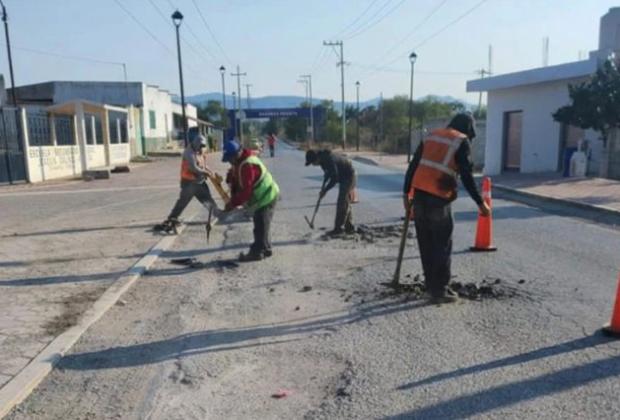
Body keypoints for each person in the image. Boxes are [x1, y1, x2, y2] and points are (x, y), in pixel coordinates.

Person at [403, 113, 490, 304]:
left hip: (418, 196)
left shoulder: (432, 136)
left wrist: (405, 194)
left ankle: (431, 286)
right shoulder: (460, 141)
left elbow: (413, 166)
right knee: (442, 243)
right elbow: (466, 175)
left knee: (426, 243)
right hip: (438, 199)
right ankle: (440, 290)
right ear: (468, 129)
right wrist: (480, 202)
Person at [222, 140, 280, 261]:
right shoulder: (240, 162)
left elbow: (245, 192)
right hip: (262, 196)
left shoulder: (247, 165)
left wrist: (232, 204)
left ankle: (257, 252)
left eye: (230, 159)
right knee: (262, 224)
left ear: (237, 154)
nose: (229, 161)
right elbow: (237, 180)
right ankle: (266, 248)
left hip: (267, 196)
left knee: (260, 225)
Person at [154, 135, 219, 233]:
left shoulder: (200, 150)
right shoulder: (188, 153)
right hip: (189, 183)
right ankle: (172, 218)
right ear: (196, 143)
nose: (202, 148)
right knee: (182, 202)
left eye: (203, 146)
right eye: (200, 146)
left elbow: (203, 164)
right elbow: (194, 168)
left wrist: (210, 171)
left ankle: (218, 214)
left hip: (200, 182)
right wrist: (205, 173)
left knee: (208, 199)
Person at [305, 149, 356, 235]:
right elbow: (328, 174)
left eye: (312, 163)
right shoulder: (322, 161)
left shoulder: (329, 160)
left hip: (349, 175)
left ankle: (338, 228)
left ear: (316, 159)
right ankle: (349, 227)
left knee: (342, 201)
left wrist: (325, 190)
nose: (313, 165)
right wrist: (324, 186)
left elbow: (334, 178)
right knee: (345, 201)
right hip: (343, 176)